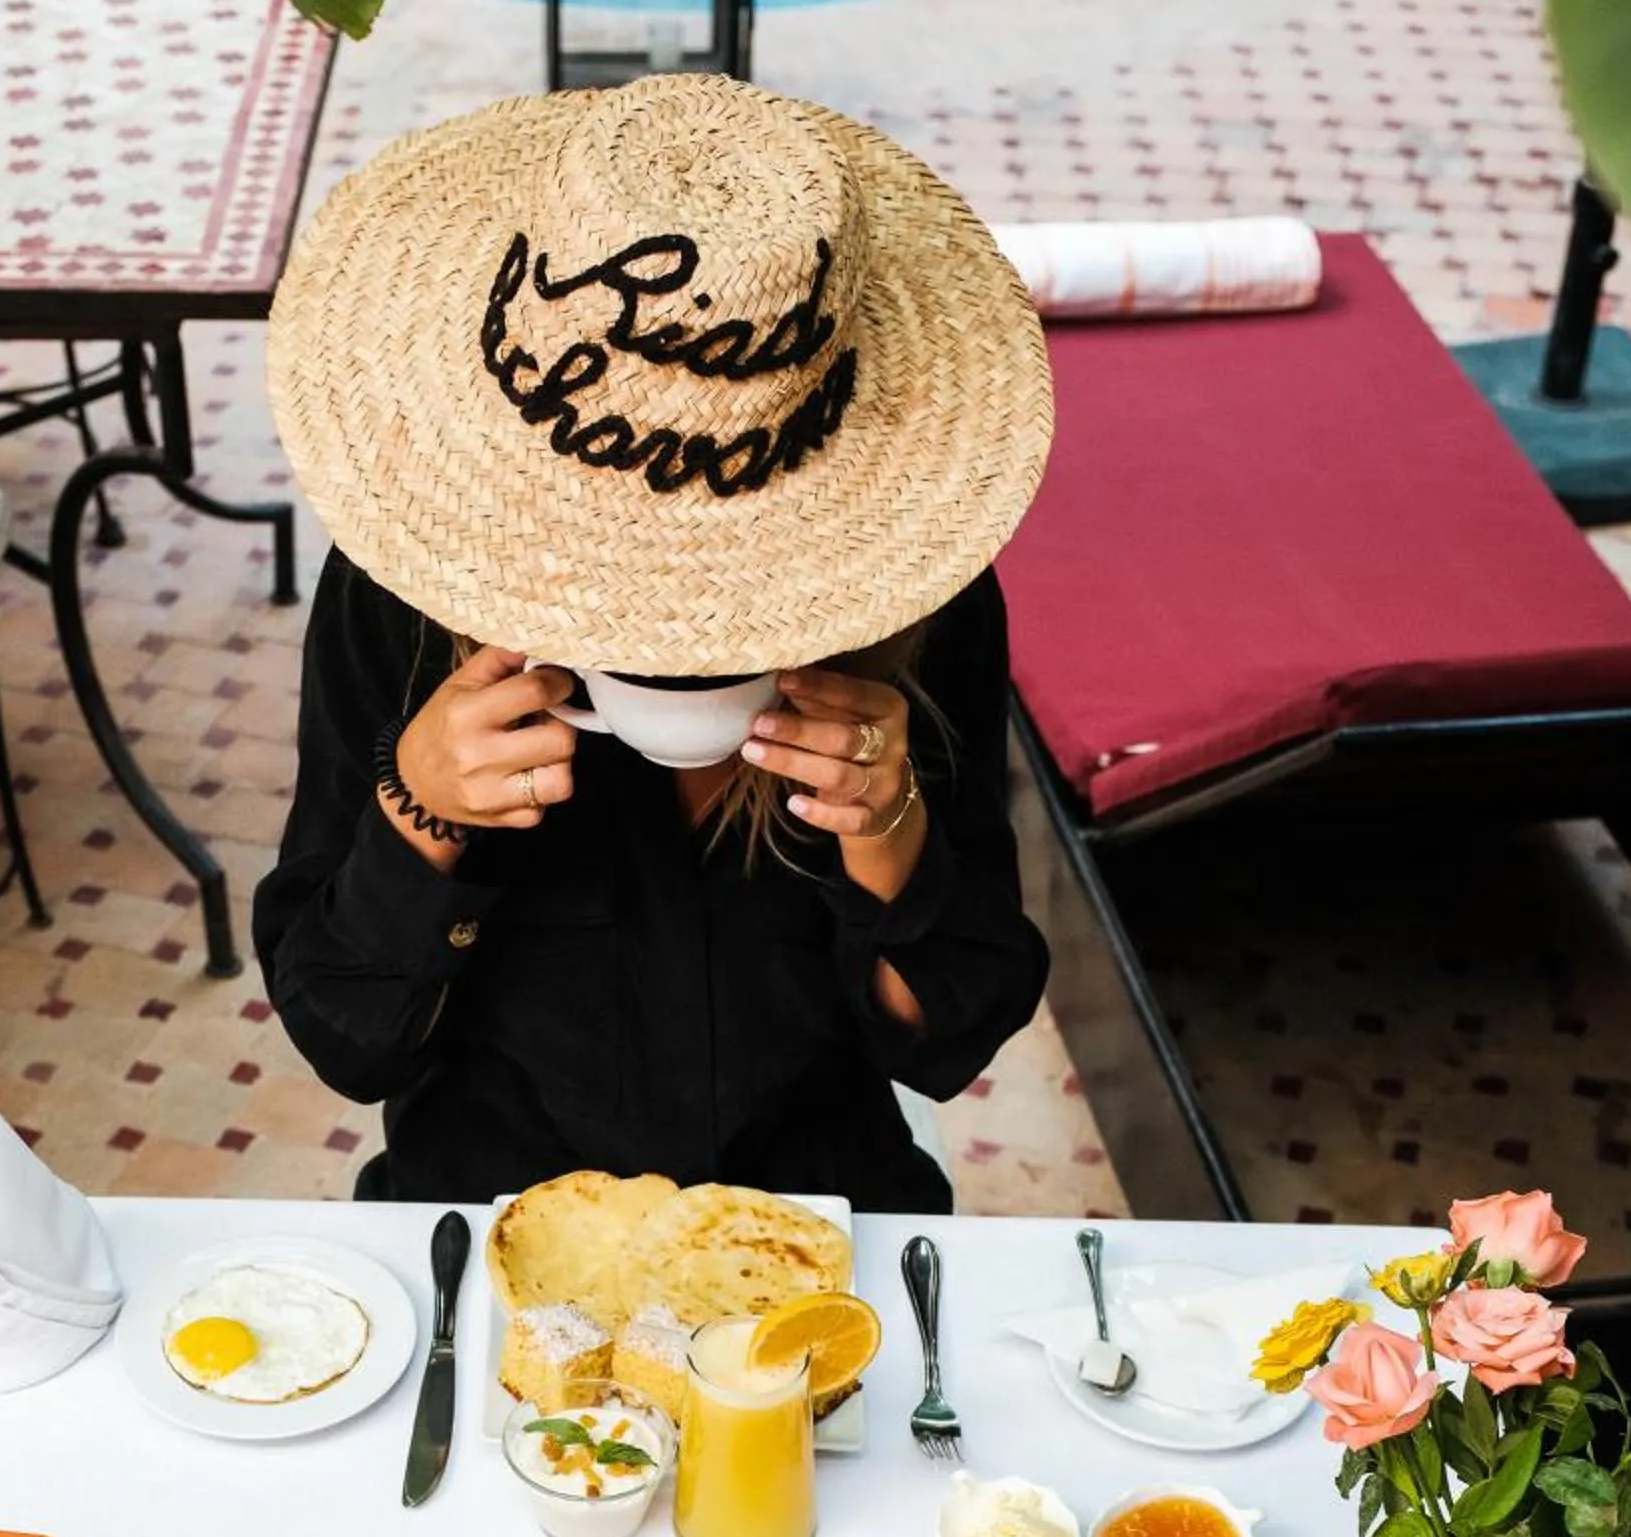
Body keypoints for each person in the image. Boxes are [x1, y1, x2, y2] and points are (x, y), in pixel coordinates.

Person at [255, 74, 1053, 1208]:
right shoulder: (404, 595)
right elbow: (348, 1044)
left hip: (810, 1224)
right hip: (488, 1220)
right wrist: (418, 808)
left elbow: (945, 1048)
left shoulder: (922, 605)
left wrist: (888, 828)